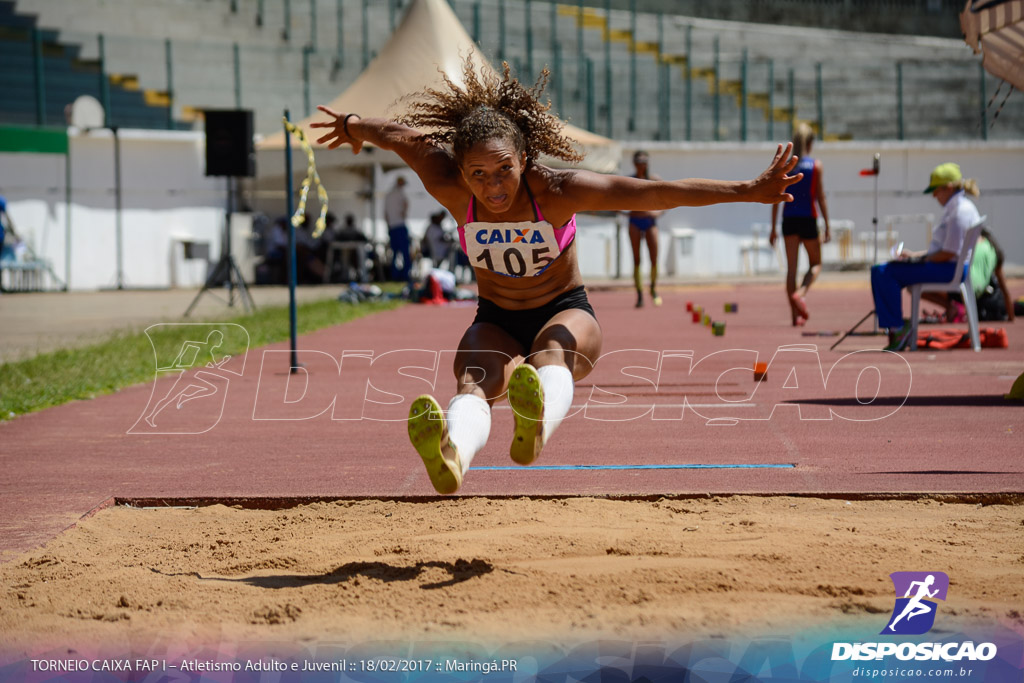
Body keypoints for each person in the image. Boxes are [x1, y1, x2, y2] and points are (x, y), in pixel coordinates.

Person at [311, 60, 801, 494]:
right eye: (477, 174)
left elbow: (654, 195)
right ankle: (453, 456)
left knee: (550, 353)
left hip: (565, 309)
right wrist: (354, 126)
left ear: (524, 160)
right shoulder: (450, 186)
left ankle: (536, 420)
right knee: (473, 382)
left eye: (503, 170)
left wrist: (747, 190)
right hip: (496, 316)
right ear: (460, 171)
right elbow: (399, 136)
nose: (493, 186)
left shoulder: (560, 190)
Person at [870, 162, 981, 351]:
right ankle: (897, 325)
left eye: (936, 190)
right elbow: (946, 251)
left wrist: (918, 260)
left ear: (948, 187)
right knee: (889, 270)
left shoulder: (959, 212)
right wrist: (915, 256)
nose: (934, 195)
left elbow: (948, 253)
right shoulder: (961, 207)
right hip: (950, 267)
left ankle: (897, 328)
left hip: (948, 269)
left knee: (882, 272)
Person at [769, 122, 831, 326]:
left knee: (791, 270)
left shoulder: (786, 166)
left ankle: (795, 316)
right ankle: (801, 293)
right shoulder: (816, 166)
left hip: (789, 220)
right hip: (808, 219)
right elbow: (820, 197)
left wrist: (773, 229)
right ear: (810, 143)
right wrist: (828, 225)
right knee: (816, 264)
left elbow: (776, 198)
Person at [627, 151, 663, 308]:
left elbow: (668, 200)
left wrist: (658, 212)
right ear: (635, 164)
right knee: (637, 259)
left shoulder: (654, 180)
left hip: (650, 221)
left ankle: (654, 289)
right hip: (634, 220)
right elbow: (617, 197)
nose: (643, 165)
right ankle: (639, 294)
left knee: (654, 257)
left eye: (645, 162)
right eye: (640, 162)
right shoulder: (630, 180)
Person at [384, 176, 412, 282]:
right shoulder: (400, 193)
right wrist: (404, 214)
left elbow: (385, 213)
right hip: (400, 225)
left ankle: (394, 275)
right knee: (405, 252)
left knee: (394, 253)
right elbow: (406, 204)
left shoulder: (388, 194)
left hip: (392, 226)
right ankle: (405, 275)